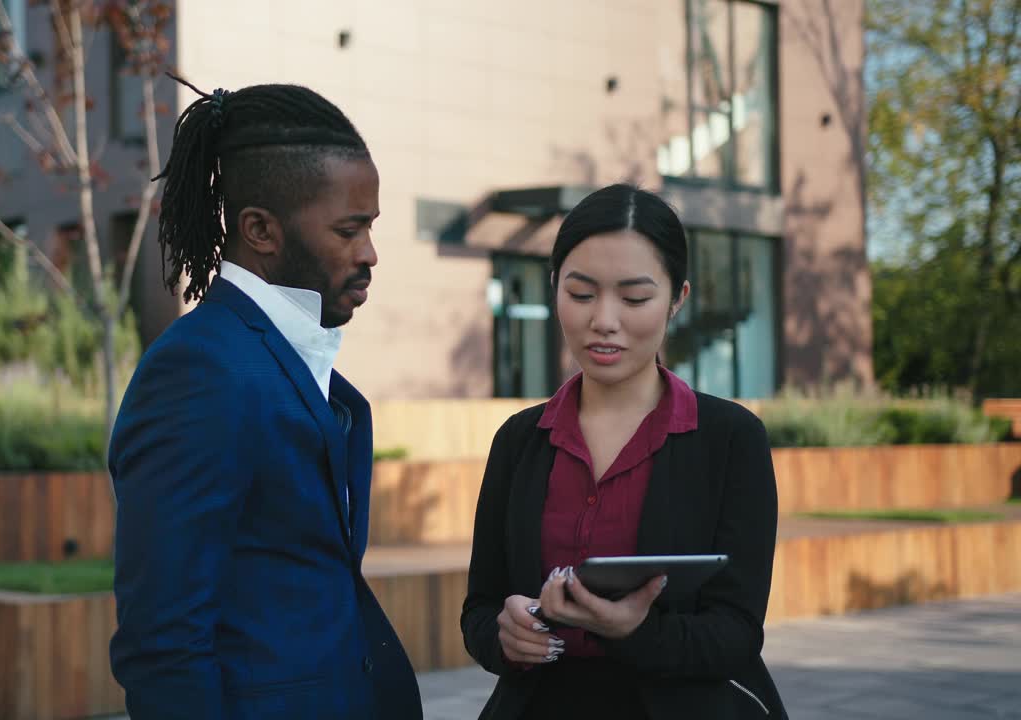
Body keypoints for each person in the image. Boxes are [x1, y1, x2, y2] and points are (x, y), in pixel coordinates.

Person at [108, 75, 422, 720]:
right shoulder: (199, 371)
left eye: (371, 227)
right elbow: (162, 638)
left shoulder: (280, 358)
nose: (370, 254)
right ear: (259, 229)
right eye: (348, 230)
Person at [460, 184, 786, 719]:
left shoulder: (730, 439)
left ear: (677, 299)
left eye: (634, 298)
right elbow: (481, 607)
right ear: (554, 287)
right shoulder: (519, 440)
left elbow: (737, 631)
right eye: (581, 294)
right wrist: (505, 636)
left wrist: (637, 631)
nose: (604, 320)